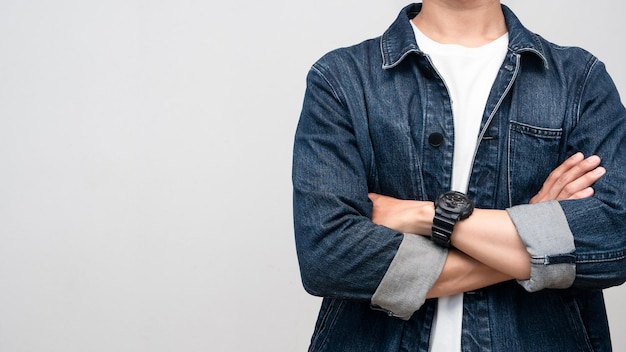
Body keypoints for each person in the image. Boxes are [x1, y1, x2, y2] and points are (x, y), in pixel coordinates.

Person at [292, 1, 626, 351]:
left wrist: (425, 216)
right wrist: (537, 237)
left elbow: (613, 242)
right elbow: (327, 257)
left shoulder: (578, 79)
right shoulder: (342, 78)